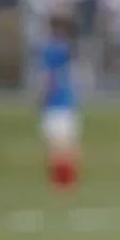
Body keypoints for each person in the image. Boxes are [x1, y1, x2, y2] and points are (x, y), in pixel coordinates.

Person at [38, 11, 83, 188]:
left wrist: (41, 97)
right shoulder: (69, 48)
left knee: (56, 144)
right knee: (68, 143)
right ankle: (68, 181)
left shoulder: (52, 49)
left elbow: (48, 77)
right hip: (69, 100)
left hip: (56, 101)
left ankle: (61, 182)